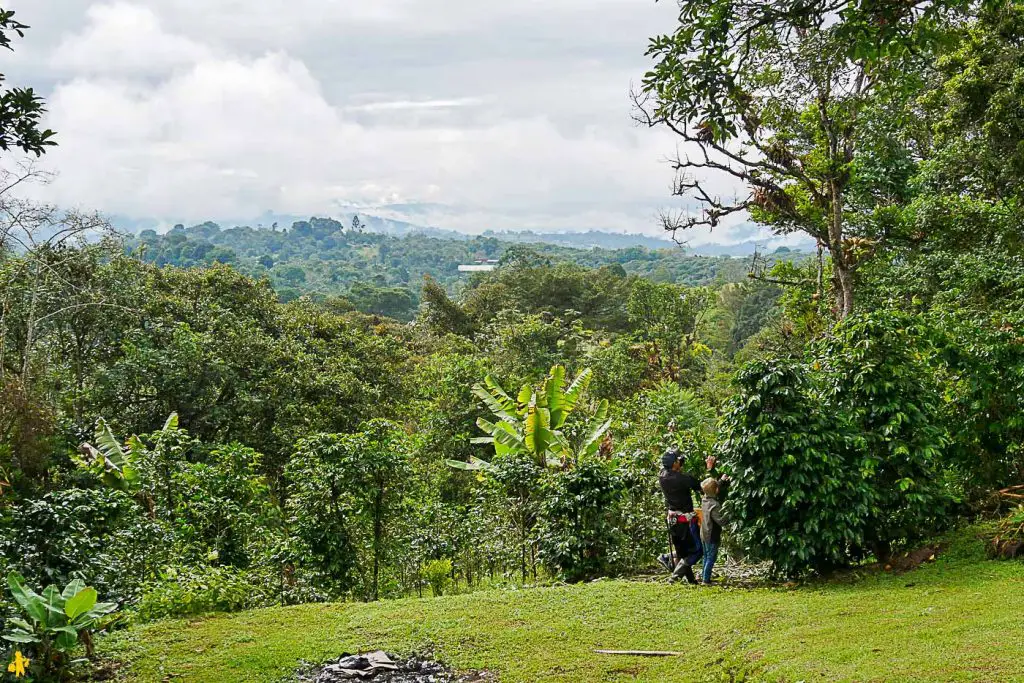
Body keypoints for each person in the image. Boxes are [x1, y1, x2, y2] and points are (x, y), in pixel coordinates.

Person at [657, 446, 704, 584]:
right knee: (696, 551)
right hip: (685, 520)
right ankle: (674, 577)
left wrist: (677, 464)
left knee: (682, 551)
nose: (680, 461)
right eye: (678, 460)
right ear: (674, 464)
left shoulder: (662, 475)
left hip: (672, 519)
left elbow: (673, 470)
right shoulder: (683, 479)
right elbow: (702, 487)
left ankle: (691, 581)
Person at [700, 477, 728, 585]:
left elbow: (712, 489)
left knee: (706, 557)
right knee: (711, 558)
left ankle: (704, 577)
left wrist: (721, 482)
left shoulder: (705, 499)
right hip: (711, 535)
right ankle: (706, 581)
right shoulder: (714, 505)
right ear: (716, 490)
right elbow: (721, 521)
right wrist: (730, 515)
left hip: (704, 533)